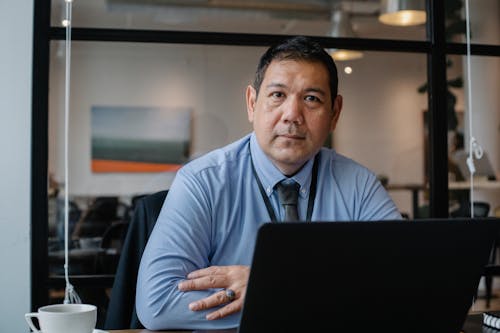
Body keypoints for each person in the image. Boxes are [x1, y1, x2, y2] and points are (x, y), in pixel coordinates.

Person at [136, 36, 402, 330]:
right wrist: (324, 293)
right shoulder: (203, 182)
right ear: (252, 103)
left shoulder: (358, 184)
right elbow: (156, 302)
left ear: (335, 113)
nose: (292, 115)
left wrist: (274, 287)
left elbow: (406, 280)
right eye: (277, 95)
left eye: (311, 98)